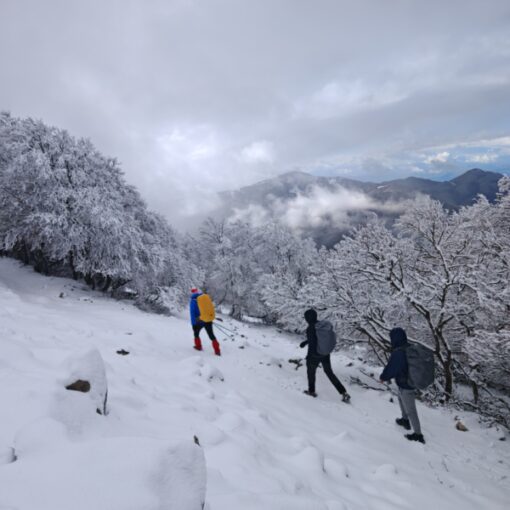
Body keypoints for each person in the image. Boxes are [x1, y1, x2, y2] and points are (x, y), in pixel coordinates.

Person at [380, 327, 425, 443]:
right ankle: (405, 420)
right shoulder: (408, 347)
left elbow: (392, 368)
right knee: (401, 399)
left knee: (411, 409)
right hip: (405, 382)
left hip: (406, 384)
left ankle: (418, 435)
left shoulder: (399, 352)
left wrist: (383, 377)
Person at [300, 309, 350, 402]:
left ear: (308, 318)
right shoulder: (321, 325)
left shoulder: (310, 328)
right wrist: (305, 342)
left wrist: (309, 356)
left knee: (311, 373)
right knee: (329, 373)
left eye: (306, 317)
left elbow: (312, 343)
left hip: (315, 355)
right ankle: (343, 392)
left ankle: (311, 391)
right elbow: (317, 339)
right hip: (325, 353)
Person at [189, 288, 221, 356]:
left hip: (199, 320)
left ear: (192, 293)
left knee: (196, 334)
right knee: (211, 334)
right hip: (207, 319)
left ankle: (198, 346)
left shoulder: (193, 301)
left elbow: (192, 312)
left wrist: (193, 323)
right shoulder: (203, 298)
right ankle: (217, 350)